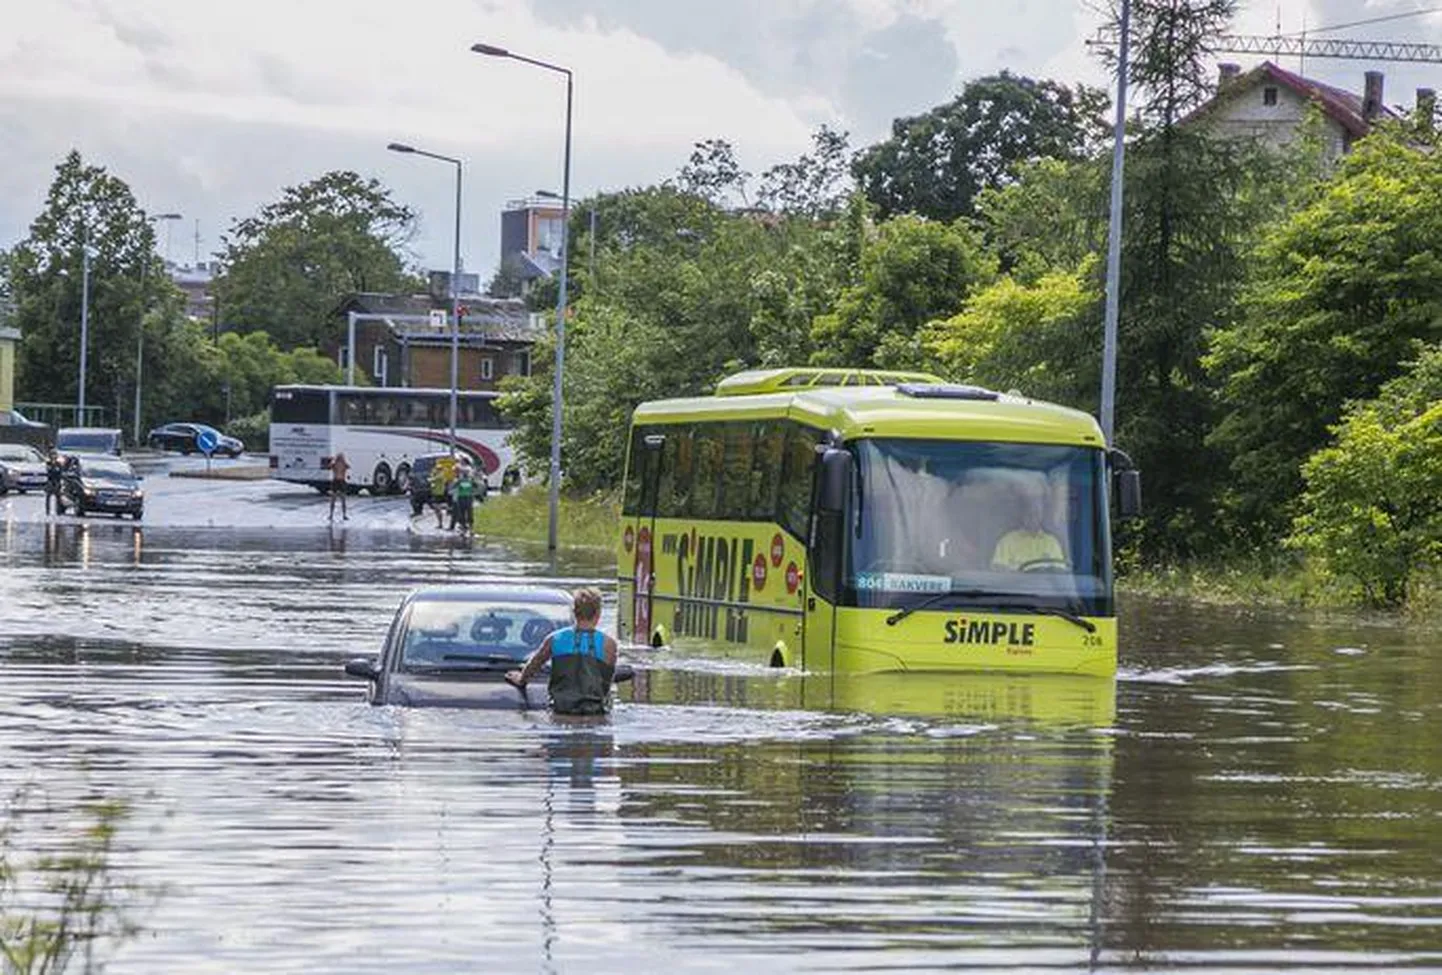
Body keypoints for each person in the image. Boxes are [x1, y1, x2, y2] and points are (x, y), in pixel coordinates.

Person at [506, 588, 619, 716]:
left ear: (574, 612)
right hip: (596, 715)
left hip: (561, 713)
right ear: (598, 613)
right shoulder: (609, 644)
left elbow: (533, 666)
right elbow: (606, 683)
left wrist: (521, 679)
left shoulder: (554, 639)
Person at [991, 482, 1067, 572]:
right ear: (1023, 515)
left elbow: (1059, 572)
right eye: (1029, 513)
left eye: (1037, 513)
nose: (1033, 517)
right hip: (1015, 586)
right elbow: (999, 569)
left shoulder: (1052, 542)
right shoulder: (1007, 541)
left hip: (1045, 585)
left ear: (1042, 516)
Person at [427, 456, 454, 529]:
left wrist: (431, 478)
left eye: (439, 469)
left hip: (441, 493)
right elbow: (431, 478)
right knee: (436, 508)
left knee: (438, 507)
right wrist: (432, 475)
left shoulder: (442, 474)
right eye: (437, 468)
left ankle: (448, 510)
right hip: (435, 493)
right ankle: (440, 523)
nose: (437, 470)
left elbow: (433, 479)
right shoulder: (435, 472)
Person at [452, 462, 477, 535]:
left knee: (469, 513)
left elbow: (476, 486)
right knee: (463, 513)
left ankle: (470, 528)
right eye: (463, 472)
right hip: (462, 497)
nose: (465, 474)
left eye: (466, 472)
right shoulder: (460, 481)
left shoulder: (469, 480)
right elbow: (453, 486)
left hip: (467, 497)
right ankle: (464, 528)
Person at [328, 451, 350, 522]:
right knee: (335, 499)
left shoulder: (342, 465)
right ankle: (332, 515)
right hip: (337, 482)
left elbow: (348, 466)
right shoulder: (336, 465)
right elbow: (329, 466)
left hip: (340, 482)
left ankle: (343, 515)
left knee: (342, 499)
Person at [44, 448, 63, 517]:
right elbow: (48, 472)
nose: (53, 456)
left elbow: (60, 472)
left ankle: (58, 511)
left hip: (57, 482)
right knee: (48, 497)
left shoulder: (59, 464)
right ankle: (47, 511)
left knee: (58, 497)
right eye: (52, 454)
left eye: (55, 454)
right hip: (50, 482)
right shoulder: (48, 463)